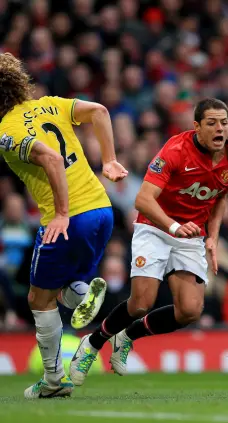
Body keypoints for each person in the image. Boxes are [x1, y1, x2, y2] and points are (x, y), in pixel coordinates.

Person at [70, 98, 228, 385]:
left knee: (189, 311)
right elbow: (142, 200)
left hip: (190, 235)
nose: (220, 129)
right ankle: (93, 342)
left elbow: (220, 198)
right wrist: (174, 226)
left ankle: (127, 336)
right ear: (197, 126)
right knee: (141, 303)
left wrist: (213, 238)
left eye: (224, 123)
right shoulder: (175, 151)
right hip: (155, 227)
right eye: (212, 123)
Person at [0, 53, 128, 399]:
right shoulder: (50, 104)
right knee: (63, 289)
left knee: (39, 298)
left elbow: (51, 158)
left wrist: (61, 212)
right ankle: (93, 303)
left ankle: (54, 380)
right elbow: (100, 111)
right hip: (102, 210)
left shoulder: (6, 131)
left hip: (69, 219)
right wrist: (109, 160)